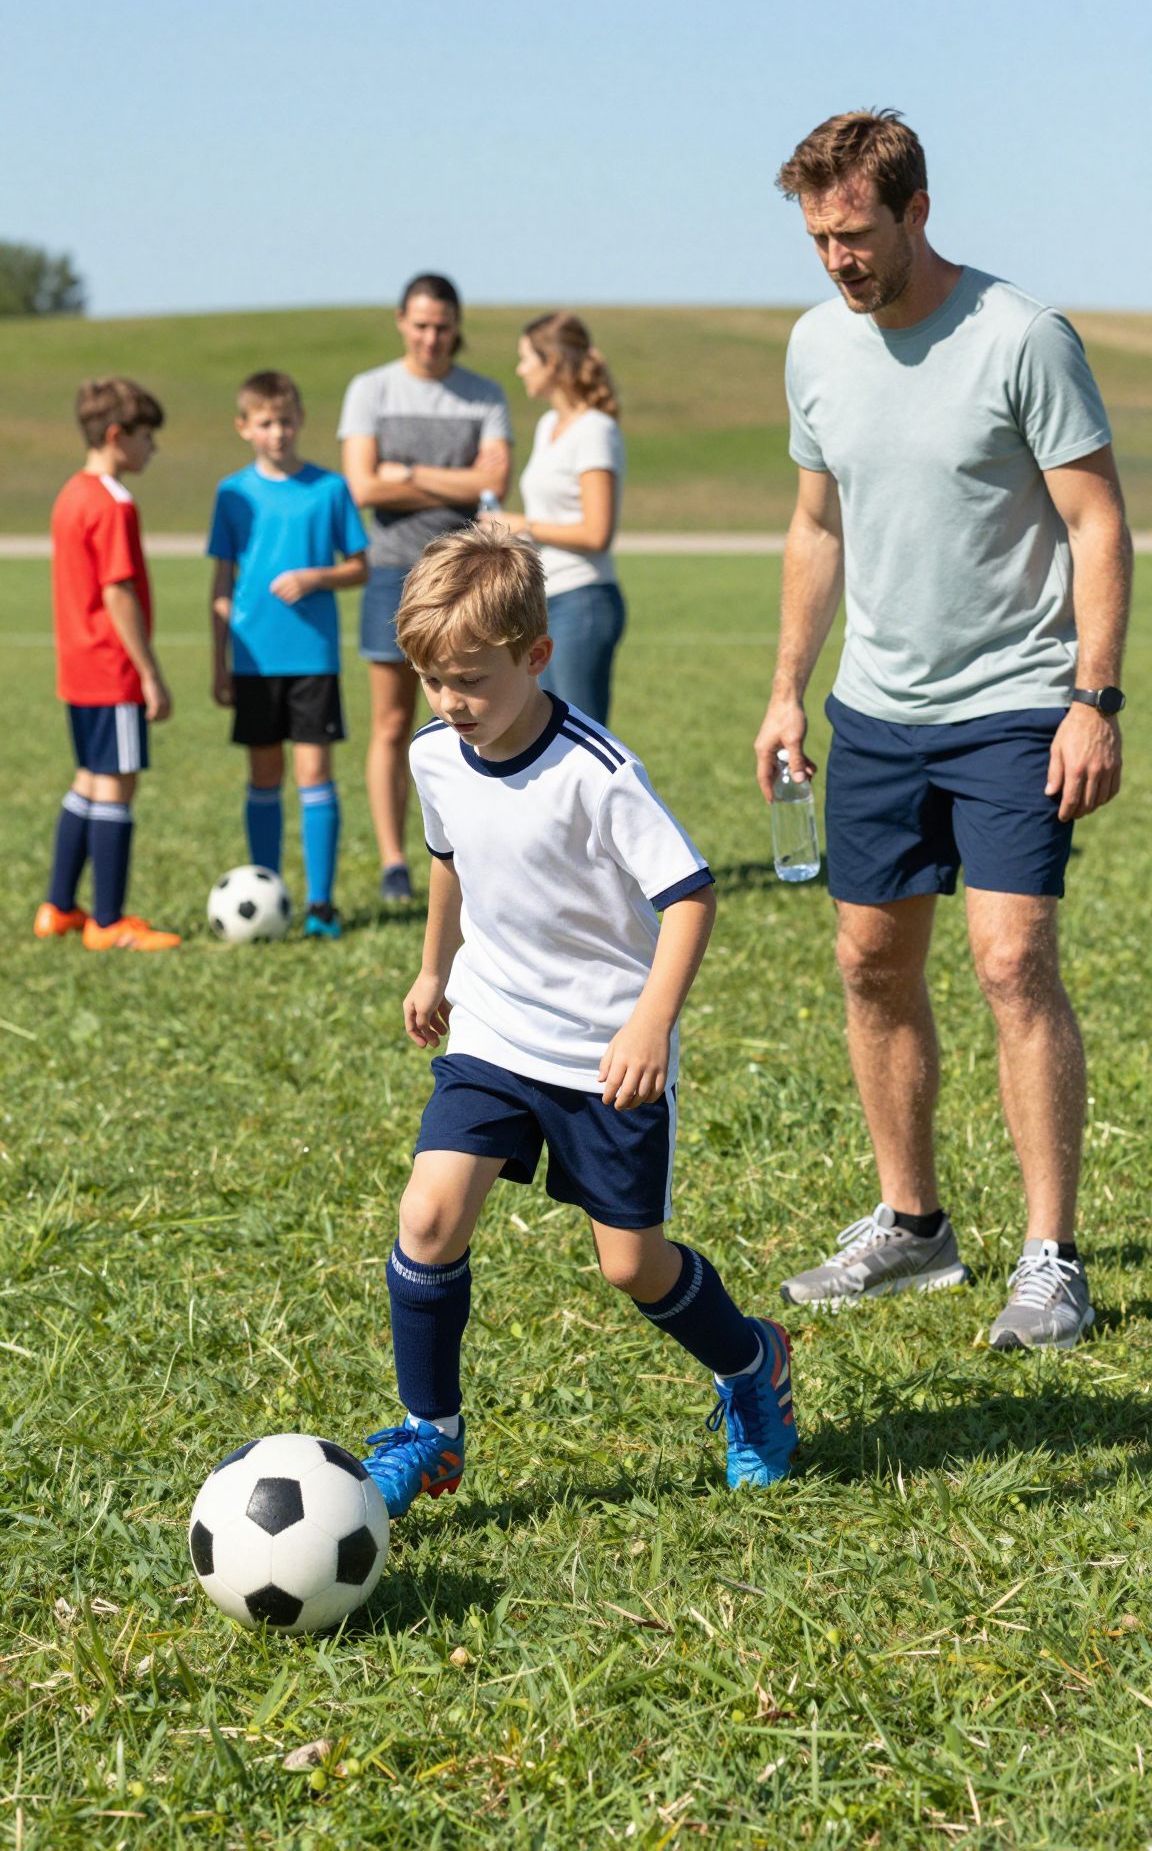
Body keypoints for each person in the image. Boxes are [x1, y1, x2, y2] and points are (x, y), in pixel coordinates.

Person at [754, 109, 1132, 1351]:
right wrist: (785, 690)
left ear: (916, 211)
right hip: (876, 711)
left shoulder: (1022, 337)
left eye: (855, 235)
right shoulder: (816, 346)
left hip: (1017, 704)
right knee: (871, 961)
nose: (837, 262)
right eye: (818, 239)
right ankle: (913, 1225)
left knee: (1012, 962)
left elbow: (1095, 525)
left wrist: (1094, 698)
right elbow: (818, 527)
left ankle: (1052, 1258)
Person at [358, 525, 798, 1515]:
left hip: (606, 1049)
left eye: (470, 677)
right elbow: (449, 859)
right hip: (495, 1030)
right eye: (432, 679)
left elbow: (689, 895)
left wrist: (649, 1024)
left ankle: (750, 1360)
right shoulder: (436, 756)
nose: (450, 701)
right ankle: (431, 1433)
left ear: (536, 655)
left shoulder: (597, 770)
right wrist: (434, 968)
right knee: (429, 1214)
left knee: (630, 1263)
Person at [338, 274, 512, 904]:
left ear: (456, 325)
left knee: (476, 715)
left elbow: (494, 486)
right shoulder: (370, 390)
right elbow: (362, 488)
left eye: (442, 326)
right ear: (400, 321)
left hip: (465, 575)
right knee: (391, 724)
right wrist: (458, 480)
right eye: (420, 324)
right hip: (391, 573)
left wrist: (405, 472)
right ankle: (393, 861)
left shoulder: (484, 395)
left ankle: (479, 851)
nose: (431, 337)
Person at [208, 371, 368, 939]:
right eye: (265, 423)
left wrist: (315, 577)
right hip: (254, 660)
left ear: (300, 421)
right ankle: (268, 890)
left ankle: (321, 905)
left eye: (286, 421)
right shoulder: (232, 493)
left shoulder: (330, 489)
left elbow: (360, 566)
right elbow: (222, 584)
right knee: (264, 774)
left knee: (314, 773)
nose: (278, 432)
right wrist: (219, 661)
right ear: (245, 427)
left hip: (312, 657)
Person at [37, 377, 180, 951]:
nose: (153, 449)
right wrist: (148, 671)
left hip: (77, 666)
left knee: (88, 781)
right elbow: (117, 590)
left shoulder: (70, 492)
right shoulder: (113, 502)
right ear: (118, 436)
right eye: (148, 437)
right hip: (111, 668)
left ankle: (58, 907)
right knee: (117, 788)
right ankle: (107, 921)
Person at [484, 312, 626, 724]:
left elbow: (598, 533)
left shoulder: (595, 429)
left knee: (582, 736)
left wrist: (521, 525)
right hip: (546, 600)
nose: (520, 368)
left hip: (583, 600)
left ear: (553, 362)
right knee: (547, 734)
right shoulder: (549, 425)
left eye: (527, 357)